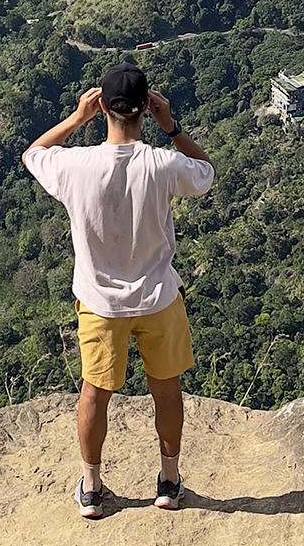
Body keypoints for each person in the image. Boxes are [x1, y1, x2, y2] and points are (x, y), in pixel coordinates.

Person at [21, 63, 215, 519]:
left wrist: (75, 119)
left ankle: (91, 488)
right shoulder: (164, 164)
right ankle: (168, 483)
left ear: (102, 105)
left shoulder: (75, 166)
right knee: (166, 392)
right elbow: (205, 169)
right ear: (147, 106)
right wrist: (172, 126)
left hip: (100, 304)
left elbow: (34, 153)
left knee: (94, 393)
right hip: (159, 299)